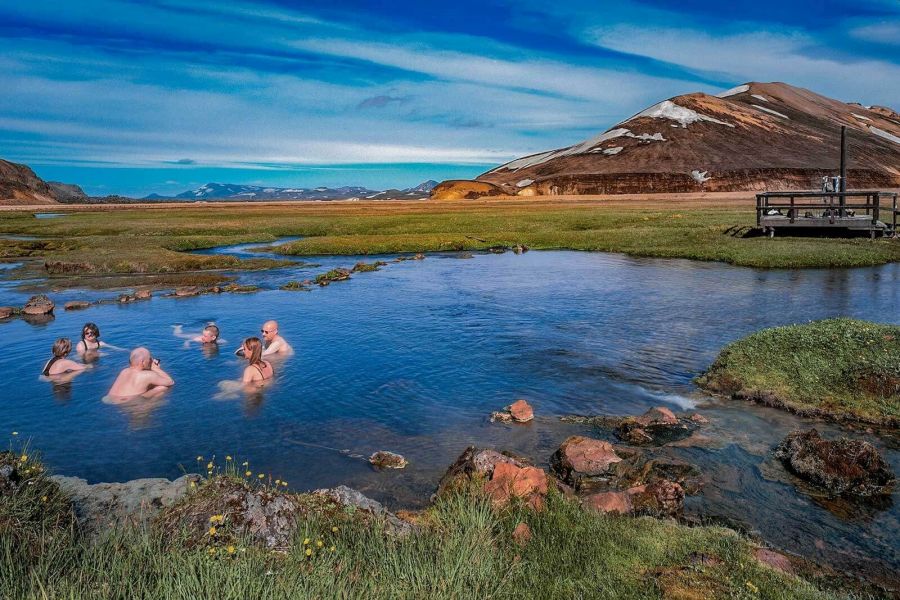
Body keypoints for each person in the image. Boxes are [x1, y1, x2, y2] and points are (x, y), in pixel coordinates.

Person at [106, 347, 174, 402]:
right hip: (129, 404)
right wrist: (156, 368)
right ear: (143, 362)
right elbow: (170, 382)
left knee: (150, 385)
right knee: (163, 388)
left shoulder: (124, 371)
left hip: (109, 400)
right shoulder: (147, 375)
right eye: (149, 359)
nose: (151, 361)